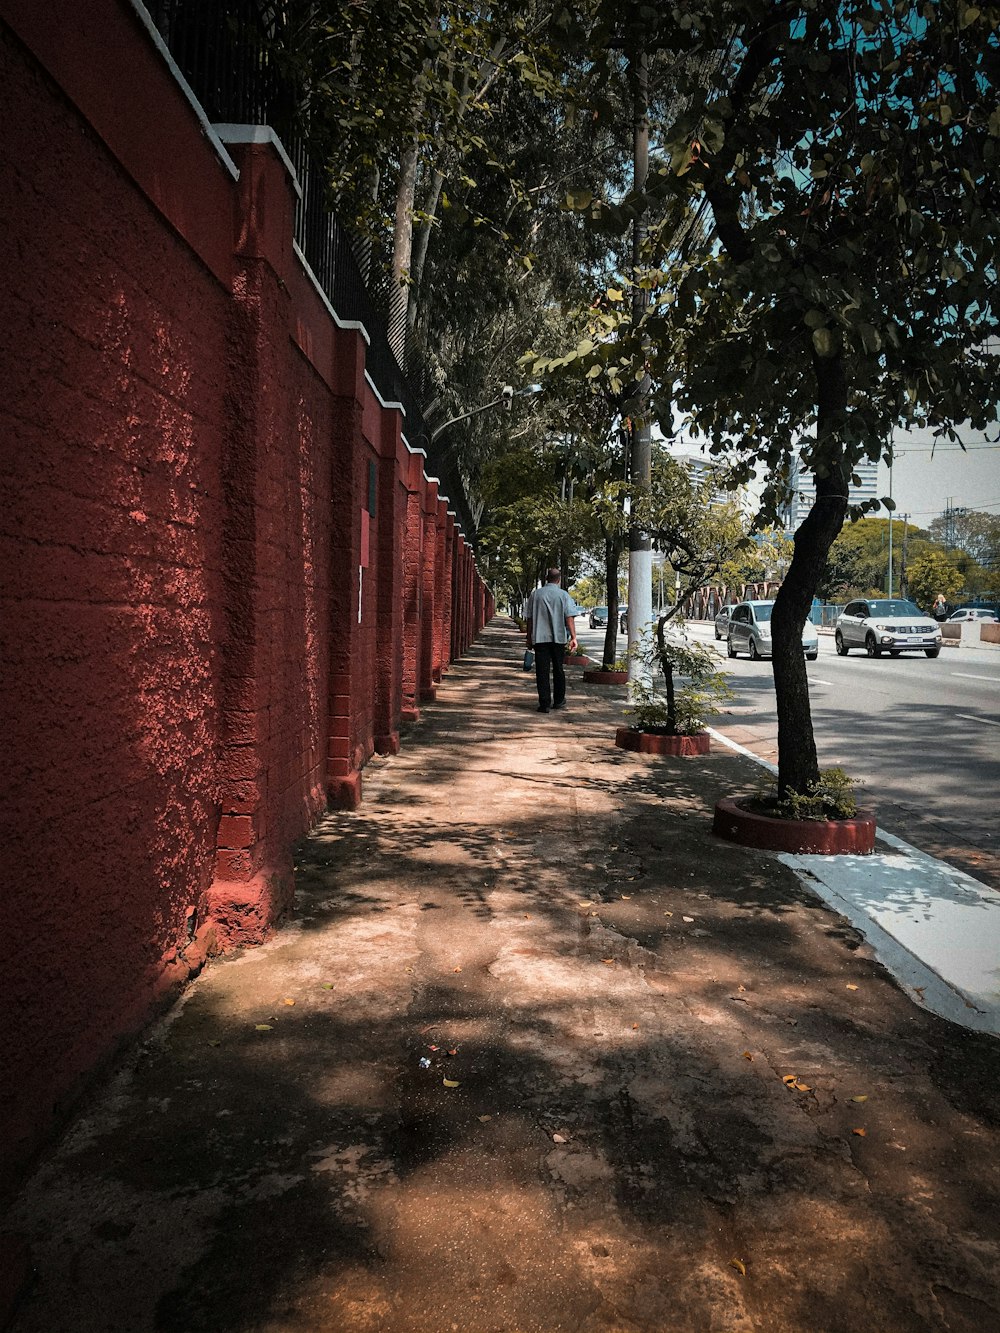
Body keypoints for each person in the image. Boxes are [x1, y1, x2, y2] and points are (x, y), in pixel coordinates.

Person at [525, 569, 578, 713]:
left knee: (542, 671)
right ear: (559, 580)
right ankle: (559, 701)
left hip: (540, 639)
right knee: (558, 669)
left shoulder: (535, 595)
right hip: (558, 638)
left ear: (546, 578)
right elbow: (569, 617)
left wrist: (529, 637)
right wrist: (573, 637)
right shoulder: (563, 595)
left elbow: (529, 618)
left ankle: (544, 704)